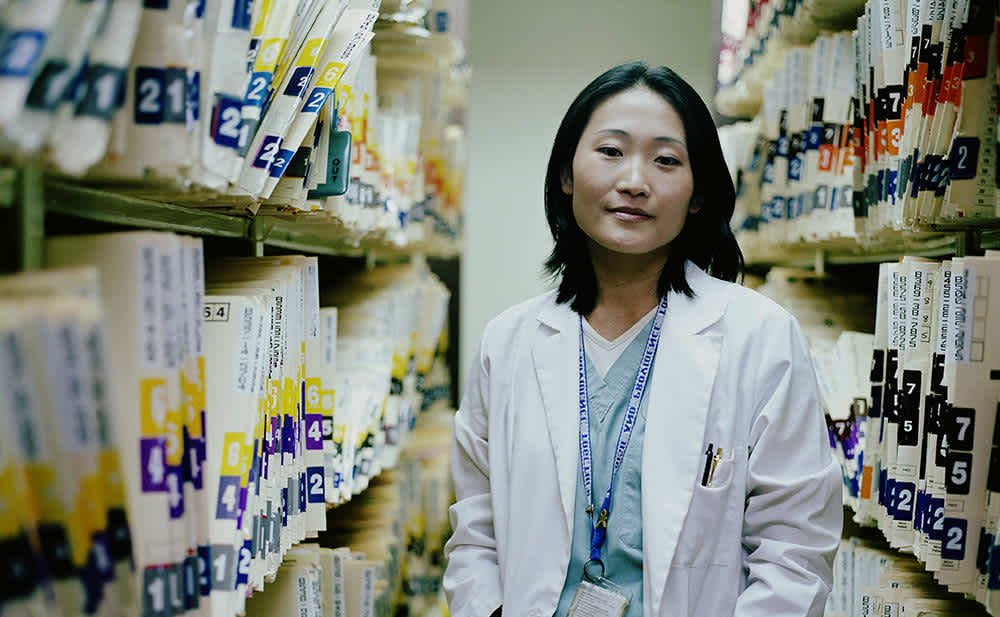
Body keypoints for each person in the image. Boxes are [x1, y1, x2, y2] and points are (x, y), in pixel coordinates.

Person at [443, 62, 842, 617]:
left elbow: (794, 552)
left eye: (666, 160)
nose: (635, 180)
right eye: (611, 151)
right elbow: (475, 530)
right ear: (566, 174)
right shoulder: (507, 342)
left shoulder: (760, 338)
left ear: (698, 192)